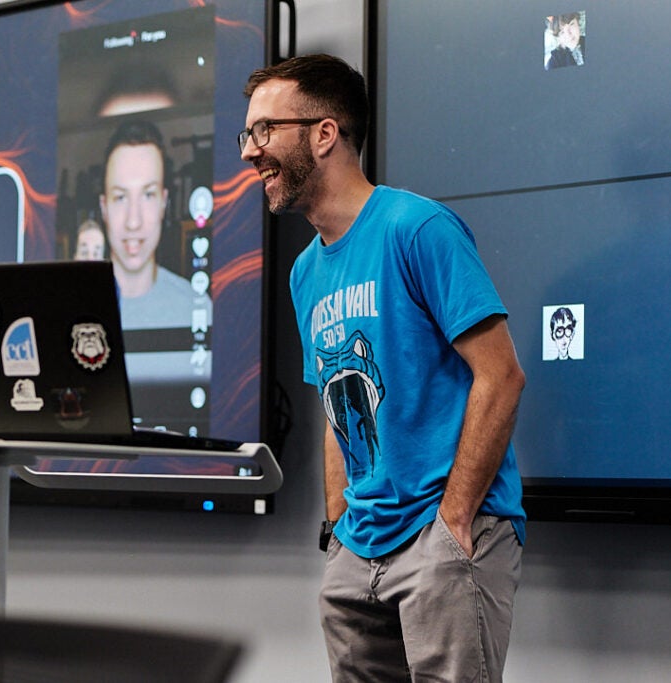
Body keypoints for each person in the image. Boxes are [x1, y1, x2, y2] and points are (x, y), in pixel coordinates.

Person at [240, 54, 526, 682]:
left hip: (441, 535)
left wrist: (453, 522)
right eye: (248, 133)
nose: (249, 151)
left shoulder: (417, 227)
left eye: (265, 131)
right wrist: (337, 524)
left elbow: (502, 376)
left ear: (323, 134)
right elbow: (333, 410)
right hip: (358, 546)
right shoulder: (305, 272)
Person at [99, 120, 208, 330]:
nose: (133, 221)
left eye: (148, 195)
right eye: (120, 197)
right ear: (104, 207)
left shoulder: (197, 308)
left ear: (163, 203)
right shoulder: (69, 305)